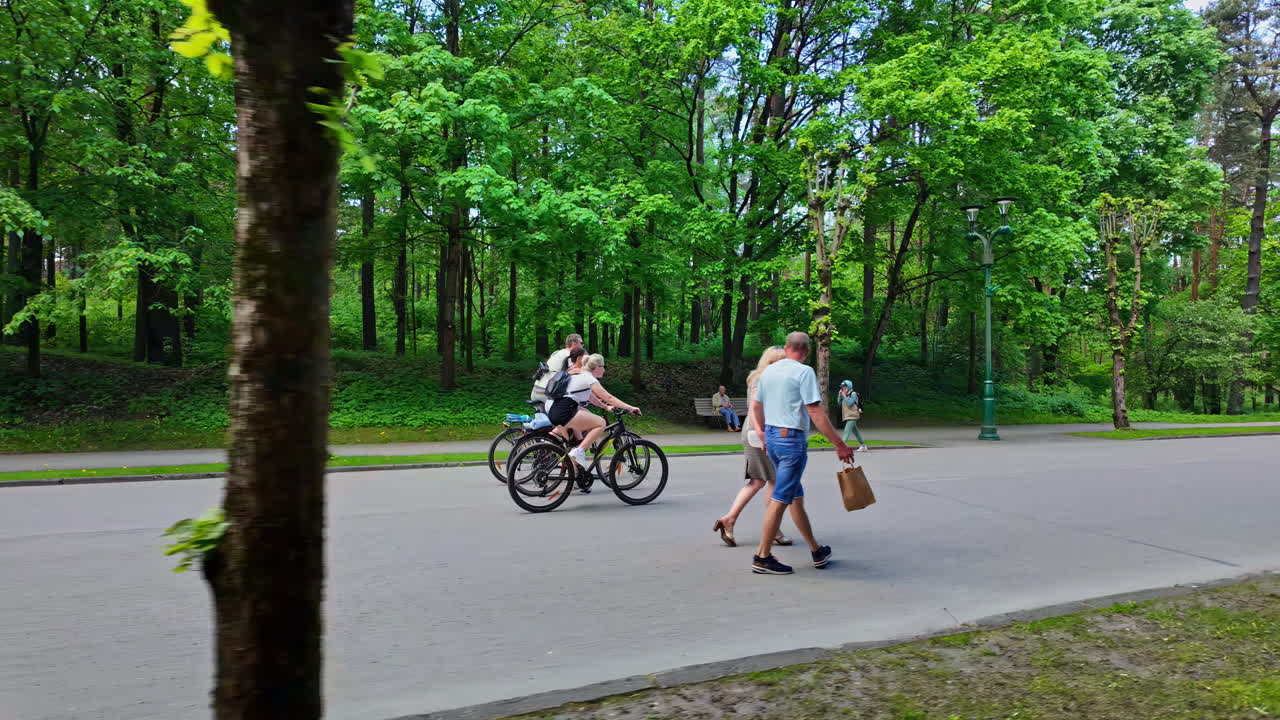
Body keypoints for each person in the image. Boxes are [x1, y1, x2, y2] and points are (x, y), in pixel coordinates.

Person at [747, 331, 854, 575]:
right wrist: (839, 444)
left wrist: (764, 433)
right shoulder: (804, 371)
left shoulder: (769, 371)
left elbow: (756, 405)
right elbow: (815, 412)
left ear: (786, 348)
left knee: (795, 496)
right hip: (791, 442)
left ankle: (816, 550)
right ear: (806, 352)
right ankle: (762, 557)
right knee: (781, 498)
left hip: (773, 439)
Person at [713, 346, 792, 548]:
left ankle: (730, 519)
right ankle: (773, 529)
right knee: (773, 481)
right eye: (781, 360)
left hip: (757, 433)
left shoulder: (761, 377)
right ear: (772, 361)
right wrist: (764, 434)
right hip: (760, 434)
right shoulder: (761, 379)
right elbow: (757, 409)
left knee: (758, 481)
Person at [546, 353, 640, 471]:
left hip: (554, 409)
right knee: (600, 423)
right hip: (564, 411)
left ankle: (575, 475)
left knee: (575, 443)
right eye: (604, 366)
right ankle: (579, 452)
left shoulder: (579, 374)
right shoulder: (589, 377)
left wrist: (605, 407)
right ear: (598, 367)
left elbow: (590, 396)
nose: (604, 369)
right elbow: (609, 397)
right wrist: (630, 408)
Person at [531, 334, 584, 402]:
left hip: (536, 390)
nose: (583, 345)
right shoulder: (570, 356)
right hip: (547, 393)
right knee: (574, 409)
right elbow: (576, 374)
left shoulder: (556, 353)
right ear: (574, 343)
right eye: (581, 343)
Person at [838, 380, 869, 452]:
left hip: (853, 415)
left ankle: (841, 447)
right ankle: (863, 445)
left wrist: (844, 396)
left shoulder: (853, 393)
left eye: (845, 387)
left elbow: (850, 403)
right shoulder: (844, 394)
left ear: (849, 386)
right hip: (847, 415)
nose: (843, 388)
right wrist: (840, 395)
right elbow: (839, 403)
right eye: (842, 387)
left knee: (846, 431)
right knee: (856, 432)